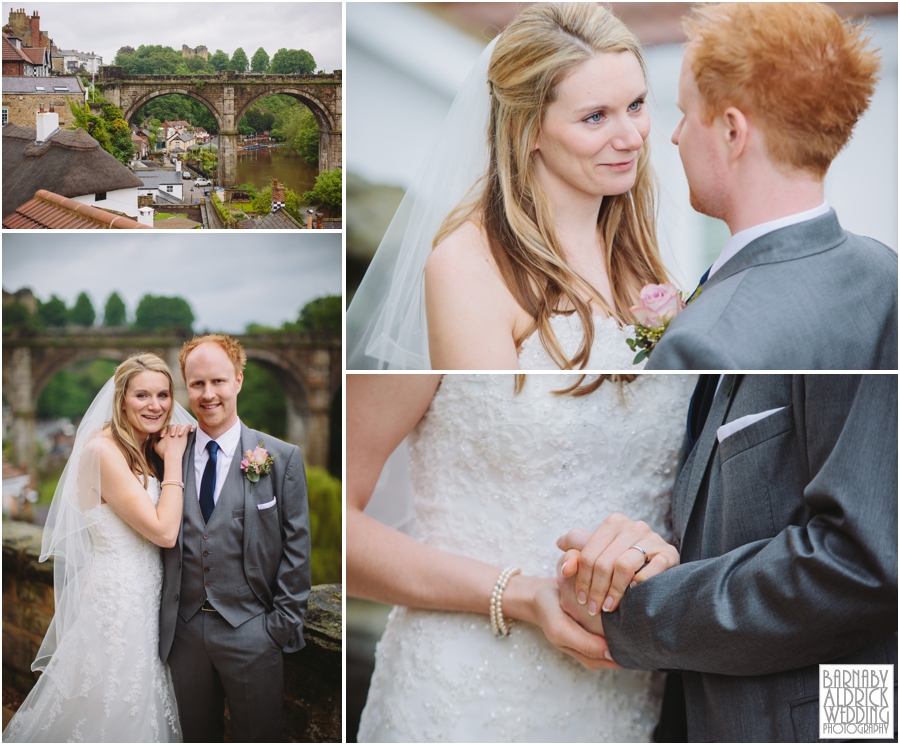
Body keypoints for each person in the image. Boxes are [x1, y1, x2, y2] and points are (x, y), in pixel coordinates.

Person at [348, 373, 695, 742]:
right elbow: (345, 532)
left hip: (632, 697)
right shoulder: (446, 320)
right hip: (464, 689)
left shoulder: (697, 330)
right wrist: (523, 595)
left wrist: (658, 563)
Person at [557, 375, 898, 741]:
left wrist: (632, 613)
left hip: (846, 712)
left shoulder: (859, 326)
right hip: (702, 710)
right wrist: (640, 562)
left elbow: (862, 563)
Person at [347, 3, 670, 371]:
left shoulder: (634, 245)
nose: (632, 138)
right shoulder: (467, 268)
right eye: (595, 117)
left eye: (635, 105)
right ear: (525, 129)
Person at [645, 3, 897, 369]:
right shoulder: (889, 272)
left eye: (686, 115)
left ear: (733, 132)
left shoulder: (702, 341)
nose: (676, 136)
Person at [3, 353, 195, 742]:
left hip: (145, 596)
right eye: (142, 395)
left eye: (163, 395)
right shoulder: (103, 451)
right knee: (115, 702)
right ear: (121, 397)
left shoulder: (140, 447)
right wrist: (173, 461)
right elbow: (163, 532)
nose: (155, 406)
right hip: (119, 600)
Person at [158, 333, 311, 742]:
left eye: (218, 382)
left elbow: (297, 550)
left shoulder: (281, 458)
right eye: (197, 384)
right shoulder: (168, 456)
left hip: (253, 633)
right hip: (184, 635)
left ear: (239, 380)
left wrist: (278, 628)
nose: (208, 394)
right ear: (186, 388)